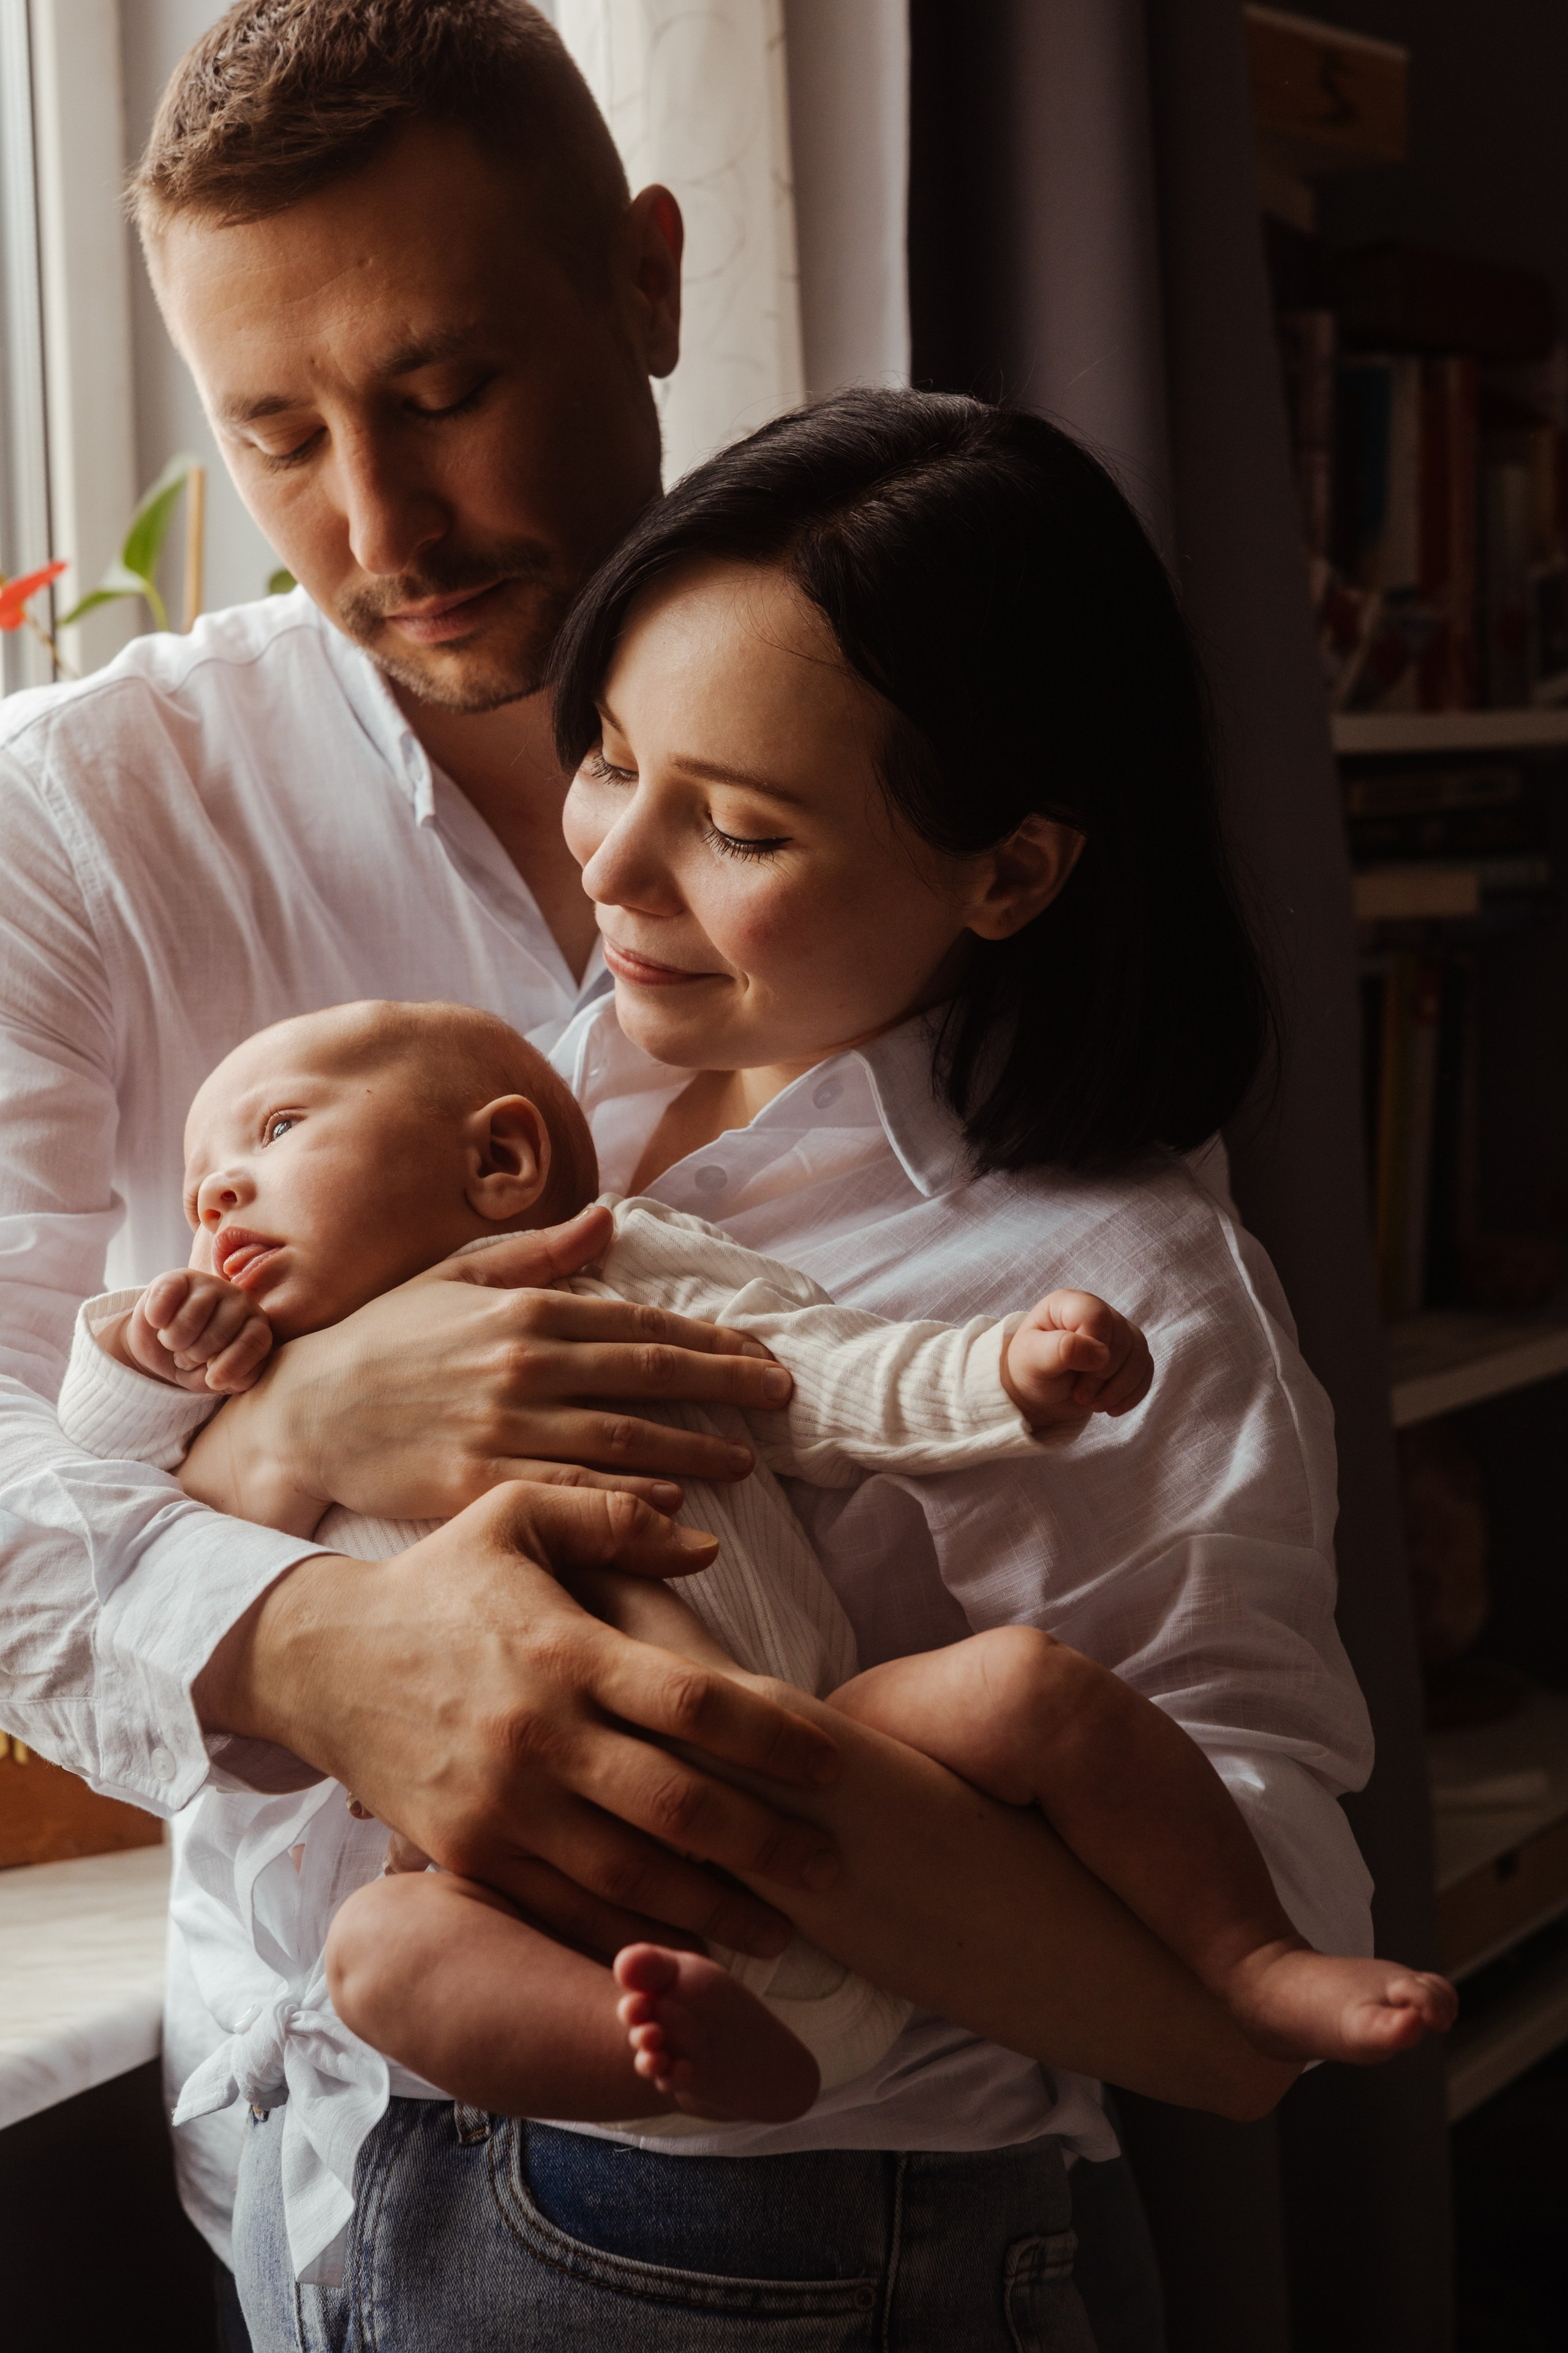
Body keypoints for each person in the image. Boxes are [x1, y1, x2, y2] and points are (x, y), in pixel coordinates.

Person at [93, 387, 1386, 2348]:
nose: (614, 872)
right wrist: (294, 1422)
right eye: (609, 762)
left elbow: (1245, 1960)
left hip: (788, 2233)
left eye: (743, 825)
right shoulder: (526, 1098)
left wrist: (723, 1785)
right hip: (359, 2161)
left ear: (1010, 871)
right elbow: (131, 1520)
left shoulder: (1112, 1278)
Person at [58, 996, 1449, 2278]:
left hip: (832, 1748)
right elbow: (96, 1493)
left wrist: (1005, 1375)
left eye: (278, 1130)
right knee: (383, 1953)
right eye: (197, 1189)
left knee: (1026, 1690)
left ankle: (1250, 1955)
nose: (220, 1188)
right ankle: (660, 2048)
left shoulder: (624, 1267)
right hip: (552, 1898)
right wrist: (152, 1363)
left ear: (498, 1163)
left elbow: (828, 1376)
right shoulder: (249, 1383)